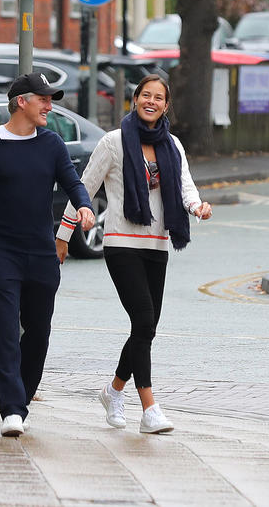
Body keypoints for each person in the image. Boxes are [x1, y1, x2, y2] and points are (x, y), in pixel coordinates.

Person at [56, 75, 212, 434]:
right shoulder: (113, 143)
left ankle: (113, 390)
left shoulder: (173, 146)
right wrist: (63, 236)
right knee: (143, 321)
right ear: (135, 99)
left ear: (166, 105)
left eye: (159, 97)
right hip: (121, 243)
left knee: (146, 329)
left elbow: (185, 187)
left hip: (156, 245)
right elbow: (84, 187)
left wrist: (197, 207)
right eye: (146, 95)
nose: (151, 102)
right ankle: (149, 408)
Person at [0, 72, 96, 437]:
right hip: (0, 251)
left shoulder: (52, 143)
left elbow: (72, 181)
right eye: (43, 99)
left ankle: (22, 398)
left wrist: (84, 206)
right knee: (5, 329)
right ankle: (11, 408)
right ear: (22, 102)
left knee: (39, 332)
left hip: (42, 251)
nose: (50, 106)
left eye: (51, 99)